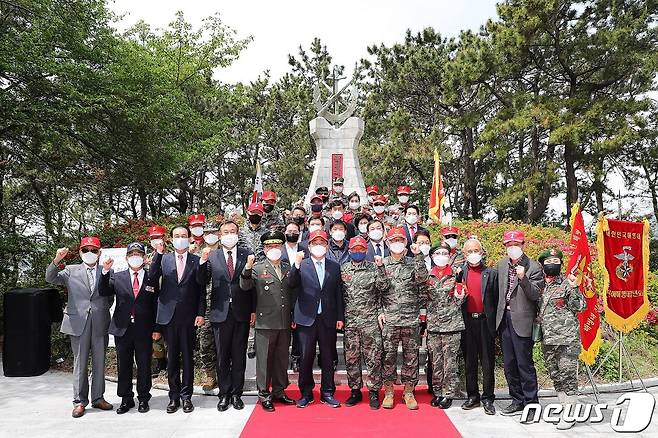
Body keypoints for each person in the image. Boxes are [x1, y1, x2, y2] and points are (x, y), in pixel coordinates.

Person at [46, 236, 114, 418]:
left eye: (94, 250)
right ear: (80, 252)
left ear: (99, 253)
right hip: (78, 322)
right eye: (86, 250)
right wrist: (57, 259)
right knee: (80, 362)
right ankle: (79, 401)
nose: (90, 253)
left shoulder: (106, 270)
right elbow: (50, 278)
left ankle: (98, 398)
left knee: (100, 361)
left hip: (100, 321)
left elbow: (110, 296)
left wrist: (102, 309)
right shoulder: (70, 270)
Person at [148, 226, 206, 414]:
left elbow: (201, 290)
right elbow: (151, 278)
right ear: (171, 239)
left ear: (189, 239)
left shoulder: (197, 260)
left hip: (189, 317)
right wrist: (158, 253)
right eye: (176, 236)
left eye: (183, 236)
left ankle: (186, 396)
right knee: (172, 357)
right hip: (168, 316)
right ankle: (173, 397)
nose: (180, 238)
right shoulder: (163, 259)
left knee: (188, 357)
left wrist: (200, 313)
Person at [198, 220, 253, 412]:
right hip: (219, 313)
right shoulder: (212, 256)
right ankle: (224, 394)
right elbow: (201, 280)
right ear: (220, 235)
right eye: (226, 232)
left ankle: (237, 393)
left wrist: (253, 310)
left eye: (233, 231)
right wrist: (202, 262)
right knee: (222, 356)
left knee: (238, 355)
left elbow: (252, 286)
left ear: (238, 234)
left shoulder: (247, 254)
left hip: (241, 312)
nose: (229, 234)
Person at [240, 231, 297, 412]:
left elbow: (293, 293)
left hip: (284, 321)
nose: (274, 249)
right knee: (264, 360)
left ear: (281, 247)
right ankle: (264, 394)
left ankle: (279, 391)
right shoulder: (257, 269)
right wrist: (247, 268)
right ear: (264, 249)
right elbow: (245, 286)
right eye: (270, 246)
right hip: (265, 322)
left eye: (277, 246)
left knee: (281, 359)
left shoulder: (289, 268)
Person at [99, 242, 159, 414]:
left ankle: (143, 398)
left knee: (144, 364)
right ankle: (126, 399)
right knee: (123, 365)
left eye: (138, 254)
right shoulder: (117, 276)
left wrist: (157, 328)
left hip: (144, 329)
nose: (135, 257)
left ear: (144, 257)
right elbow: (103, 291)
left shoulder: (151, 277)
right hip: (122, 328)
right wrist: (104, 271)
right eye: (132, 254)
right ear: (126, 258)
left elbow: (156, 305)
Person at [288, 229, 345, 408]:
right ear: (309, 246)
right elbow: (291, 284)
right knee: (306, 357)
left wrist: (340, 317)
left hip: (327, 318)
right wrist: (295, 265)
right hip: (305, 318)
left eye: (322, 243)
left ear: (327, 246)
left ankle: (327, 392)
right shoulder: (301, 264)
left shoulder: (334, 266)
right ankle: (306, 392)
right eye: (315, 243)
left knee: (328, 357)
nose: (319, 246)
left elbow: (338, 294)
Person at [495, 230, 544, 416]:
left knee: (525, 364)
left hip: (523, 320)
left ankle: (531, 402)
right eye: (509, 244)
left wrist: (523, 278)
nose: (512, 247)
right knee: (509, 364)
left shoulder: (533, 267)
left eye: (516, 244)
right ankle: (516, 400)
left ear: (523, 245)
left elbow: (535, 294)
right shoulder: (501, 265)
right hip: (504, 319)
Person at [378, 227, 428, 410]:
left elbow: (422, 279)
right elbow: (377, 290)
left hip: (410, 319)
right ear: (387, 243)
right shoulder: (381, 263)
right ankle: (389, 391)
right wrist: (379, 312)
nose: (397, 243)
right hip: (390, 320)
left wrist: (418, 257)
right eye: (393, 240)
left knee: (411, 357)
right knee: (388, 357)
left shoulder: (413, 262)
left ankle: (408, 391)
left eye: (400, 240)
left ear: (406, 243)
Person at [536, 248, 585, 430]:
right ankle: (564, 408)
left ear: (561, 265)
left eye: (556, 262)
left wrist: (574, 287)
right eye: (548, 262)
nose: (552, 265)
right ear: (542, 265)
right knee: (556, 376)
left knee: (568, 376)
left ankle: (570, 414)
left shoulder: (567, 283)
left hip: (567, 340)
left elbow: (580, 306)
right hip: (548, 340)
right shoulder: (540, 285)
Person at [341, 236, 389, 409]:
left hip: (370, 320)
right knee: (352, 358)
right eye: (355, 249)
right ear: (349, 251)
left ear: (366, 250)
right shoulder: (343, 269)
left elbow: (383, 288)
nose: (358, 252)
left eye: (361, 249)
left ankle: (374, 391)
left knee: (373, 358)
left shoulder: (373, 268)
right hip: (351, 321)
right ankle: (355, 391)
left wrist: (381, 267)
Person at [458, 238, 498, 415]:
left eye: (476, 250)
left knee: (488, 361)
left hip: (485, 321)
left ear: (482, 252)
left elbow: (497, 300)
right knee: (470, 361)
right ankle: (472, 395)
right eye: (469, 252)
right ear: (464, 254)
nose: (473, 254)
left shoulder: (491, 273)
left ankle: (488, 397)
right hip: (467, 321)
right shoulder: (460, 272)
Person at [423, 242, 465, 409]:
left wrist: (460, 286)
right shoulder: (427, 277)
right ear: (432, 257)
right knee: (436, 362)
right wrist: (423, 324)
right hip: (433, 325)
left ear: (449, 256)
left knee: (450, 362)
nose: (441, 256)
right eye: (438, 253)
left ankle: (448, 394)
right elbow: (423, 301)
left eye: (445, 253)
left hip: (452, 325)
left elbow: (461, 299)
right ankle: (438, 392)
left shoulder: (457, 274)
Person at [199, 221, 221, 391]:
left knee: (224, 343)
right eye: (207, 232)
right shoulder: (196, 254)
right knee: (205, 342)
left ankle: (224, 374)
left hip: (223, 305)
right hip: (204, 306)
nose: (211, 235)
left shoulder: (225, 252)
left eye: (214, 231)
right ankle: (210, 375)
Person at [146, 225, 168, 377]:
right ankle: (157, 362)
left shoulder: (170, 255)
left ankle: (167, 363)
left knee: (165, 332)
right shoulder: (144, 256)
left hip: (166, 297)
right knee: (153, 332)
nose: (156, 240)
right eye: (153, 238)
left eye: (159, 237)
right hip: (149, 298)